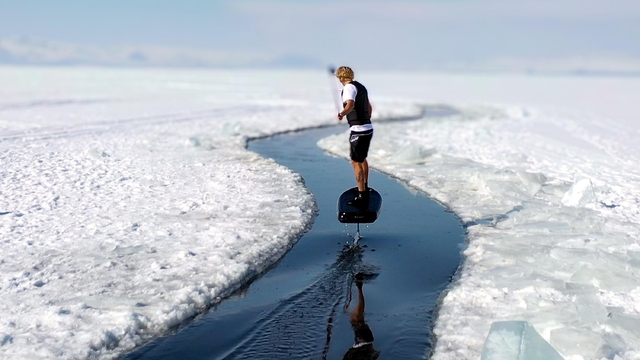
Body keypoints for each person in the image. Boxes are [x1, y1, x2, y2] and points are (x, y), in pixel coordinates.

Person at [335, 66, 374, 207]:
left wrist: (342, 113)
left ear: (340, 77)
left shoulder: (349, 88)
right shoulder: (360, 87)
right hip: (368, 128)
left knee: (355, 162)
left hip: (358, 130)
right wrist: (365, 119)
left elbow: (350, 104)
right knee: (362, 159)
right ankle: (365, 187)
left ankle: (361, 196)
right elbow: (369, 108)